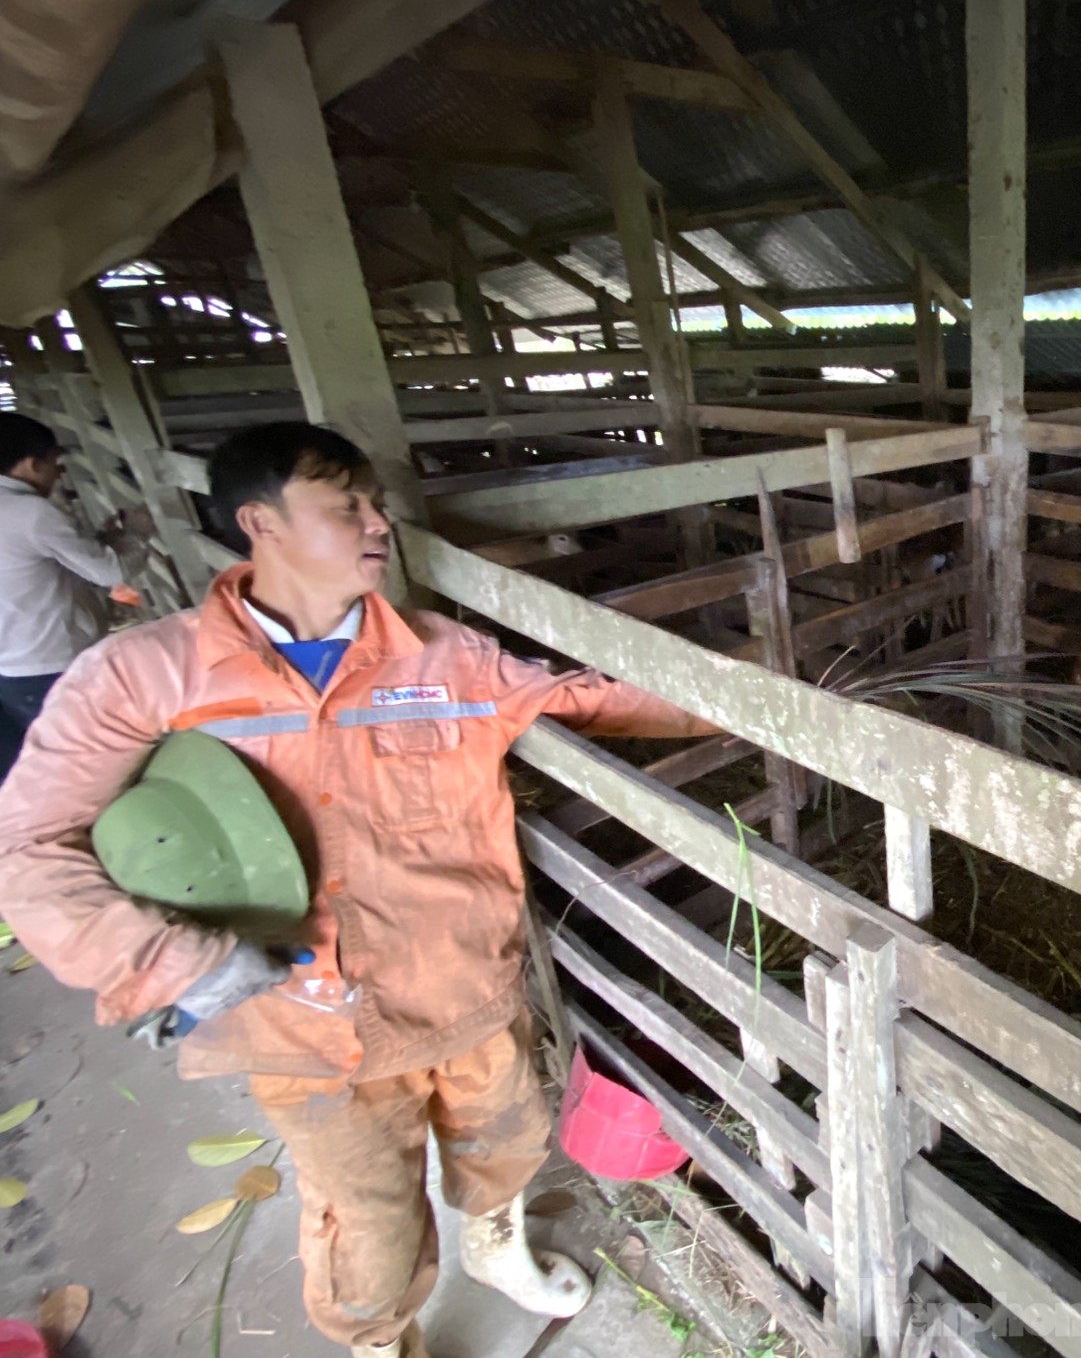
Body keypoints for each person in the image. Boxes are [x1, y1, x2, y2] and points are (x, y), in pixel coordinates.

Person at [0, 422, 722, 1358]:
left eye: (374, 503)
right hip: (302, 1021)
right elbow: (27, 841)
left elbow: (575, 696)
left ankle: (499, 1247)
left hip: (465, 982)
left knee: (504, 1142)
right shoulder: (146, 675)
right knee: (368, 1226)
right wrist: (171, 961)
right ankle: (382, 1342)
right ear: (259, 521)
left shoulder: (446, 656)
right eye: (346, 504)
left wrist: (772, 711)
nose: (378, 522)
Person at [0, 411, 149, 782]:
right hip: (51, 662)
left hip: (12, 664)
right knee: (90, 765)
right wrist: (137, 534)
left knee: (42, 763)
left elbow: (34, 562)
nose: (59, 472)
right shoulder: (32, 512)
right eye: (54, 463)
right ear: (32, 464)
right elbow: (109, 572)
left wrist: (102, 540)